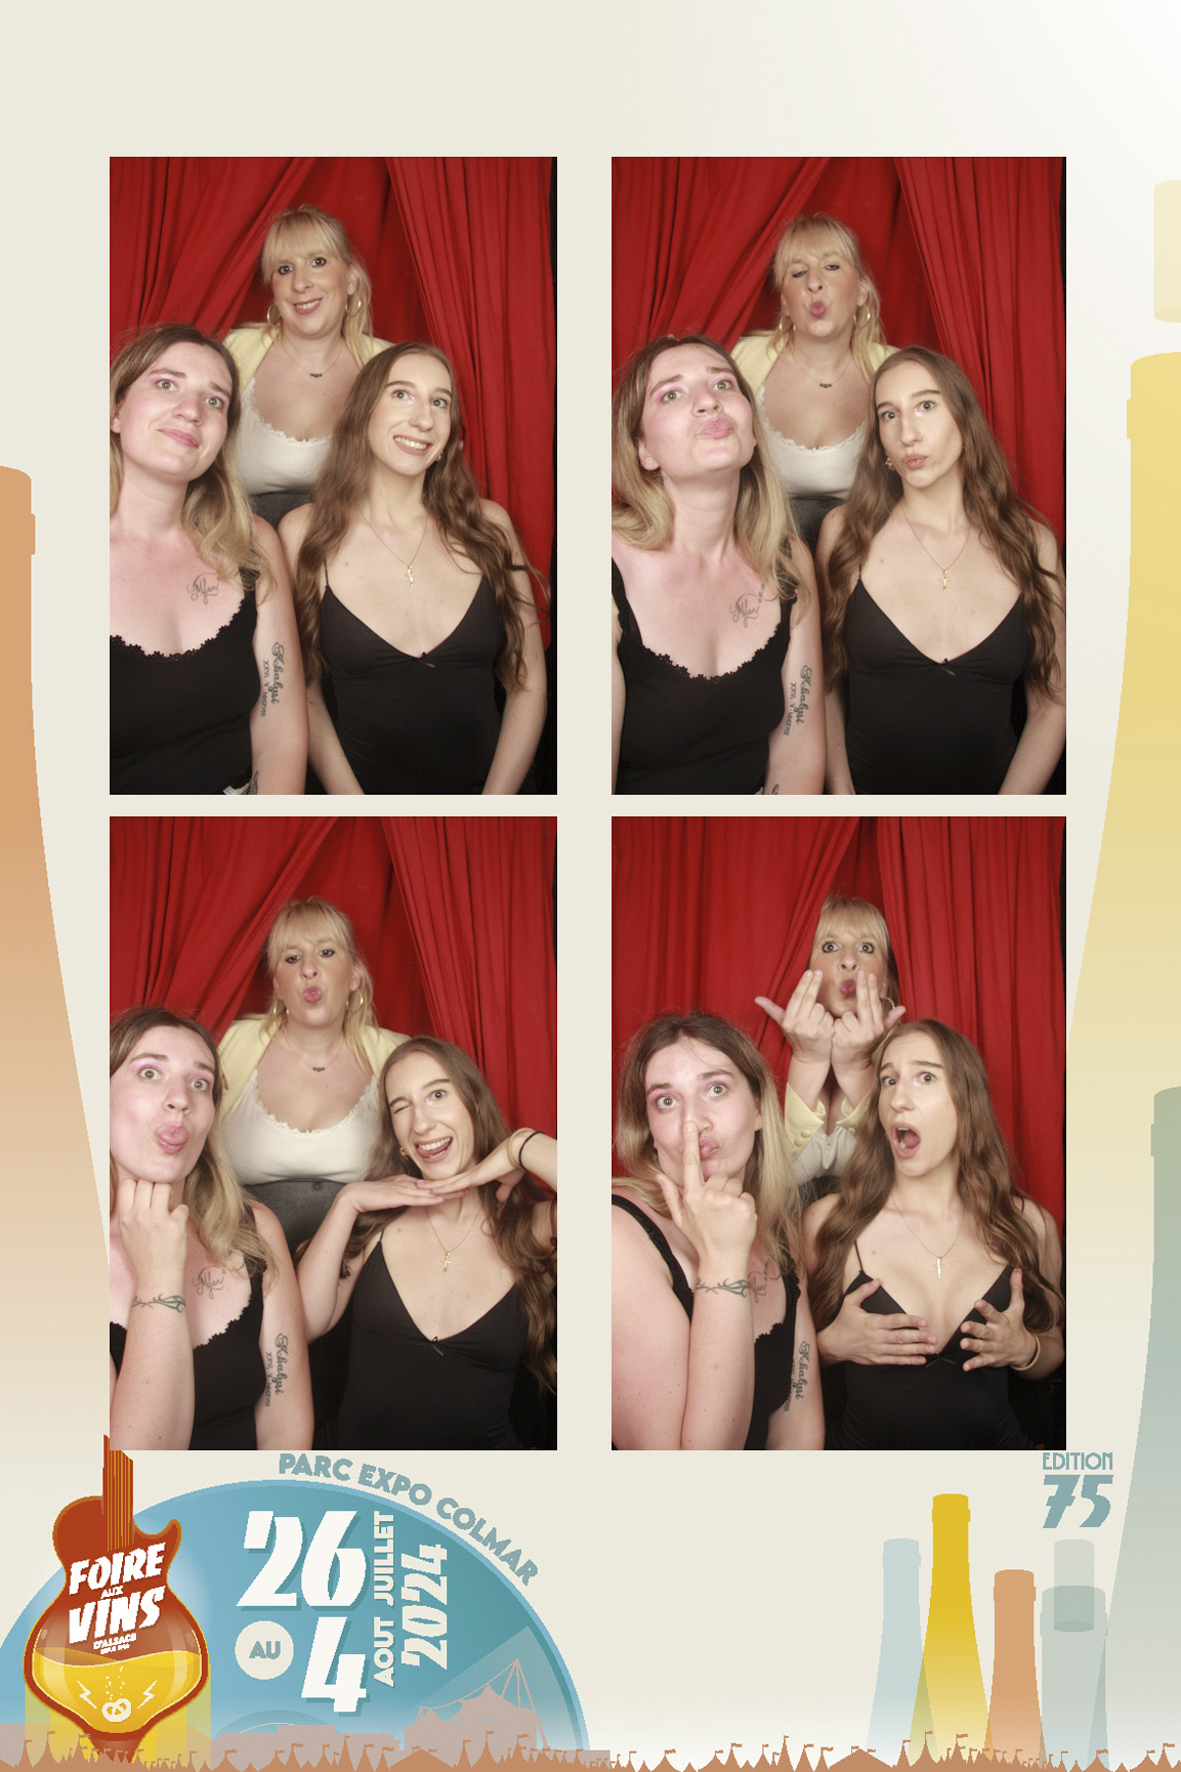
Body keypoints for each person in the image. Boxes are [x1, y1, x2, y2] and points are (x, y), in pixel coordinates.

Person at [281, 342, 547, 795]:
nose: (424, 419)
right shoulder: (303, 533)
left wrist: (493, 807)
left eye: (440, 402)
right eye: (402, 394)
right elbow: (301, 694)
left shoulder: (490, 526)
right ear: (363, 411)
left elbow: (530, 683)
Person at [803, 1020, 1064, 1450]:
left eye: (925, 1077)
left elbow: (1053, 1350)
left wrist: (1026, 1350)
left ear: (967, 1100)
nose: (898, 1099)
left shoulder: (1030, 1225)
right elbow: (780, 1375)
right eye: (889, 1080)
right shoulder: (828, 1224)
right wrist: (830, 1346)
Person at [819, 346, 1066, 794]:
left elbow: (1054, 705)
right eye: (889, 415)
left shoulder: (1032, 544)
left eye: (926, 406)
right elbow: (823, 683)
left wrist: (1005, 815)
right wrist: (842, 797)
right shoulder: (845, 534)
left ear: (964, 419)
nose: (907, 434)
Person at [297, 1038, 556, 1450]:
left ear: (474, 1104)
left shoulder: (533, 1227)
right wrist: (347, 1202)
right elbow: (305, 1325)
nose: (421, 1124)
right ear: (396, 1135)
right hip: (360, 1480)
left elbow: (612, 1214)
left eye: (437, 1095)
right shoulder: (374, 1221)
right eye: (401, 1107)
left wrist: (523, 1146)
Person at [611, 336, 824, 795]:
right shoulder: (600, 564)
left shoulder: (788, 560)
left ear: (752, 431)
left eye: (723, 384)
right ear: (644, 450)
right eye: (671, 393)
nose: (708, 401)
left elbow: (798, 757)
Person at [110, 324, 307, 795]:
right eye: (166, 384)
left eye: (214, 400)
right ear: (116, 410)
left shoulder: (252, 543)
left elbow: (280, 736)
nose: (191, 411)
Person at [612, 1012, 823, 1450]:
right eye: (666, 1101)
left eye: (716, 1089)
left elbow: (800, 1434)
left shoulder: (777, 1232)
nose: (693, 1122)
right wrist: (722, 1259)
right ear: (649, 1131)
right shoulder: (616, 1237)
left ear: (760, 1108)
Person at [109, 1007, 313, 1452]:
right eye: (149, 1073)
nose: (180, 1098)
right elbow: (134, 1472)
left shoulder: (256, 1229)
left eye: (199, 1083)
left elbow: (286, 1430)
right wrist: (159, 1276)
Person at [219, 897, 406, 1255]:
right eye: (292, 958)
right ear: (277, 985)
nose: (308, 969)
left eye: (325, 952)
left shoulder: (398, 1057)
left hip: (363, 1260)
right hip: (244, 1259)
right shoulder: (227, 1048)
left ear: (355, 975)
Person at [734, 214, 893, 553]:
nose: (814, 283)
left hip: (870, 551)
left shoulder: (897, 371)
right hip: (761, 551)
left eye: (831, 267)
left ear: (861, 291)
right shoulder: (739, 362)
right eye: (798, 272)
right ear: (784, 302)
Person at [225, 206, 390, 527]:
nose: (300, 283)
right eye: (284, 269)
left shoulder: (391, 366)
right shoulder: (229, 353)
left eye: (318, 262)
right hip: (239, 540)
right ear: (273, 289)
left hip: (353, 544)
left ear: (351, 279)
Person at [756, 893, 905, 1193]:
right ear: (802, 971)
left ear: (884, 983)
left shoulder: (908, 1053)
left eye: (866, 947)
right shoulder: (765, 1048)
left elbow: (898, 1172)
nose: (849, 960)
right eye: (830, 946)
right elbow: (760, 1175)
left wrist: (856, 1066)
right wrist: (807, 1059)